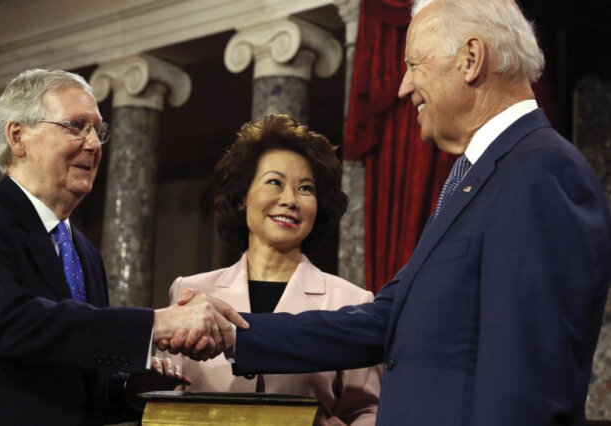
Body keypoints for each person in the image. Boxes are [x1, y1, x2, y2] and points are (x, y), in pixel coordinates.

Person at [170, 1, 611, 425]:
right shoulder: (478, 178)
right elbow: (383, 321)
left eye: (414, 64)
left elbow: (526, 387)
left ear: (472, 58)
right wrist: (236, 335)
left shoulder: (539, 171)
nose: (403, 86)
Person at [0, 68, 246, 426]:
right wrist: (157, 322)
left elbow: (77, 377)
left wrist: (132, 389)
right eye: (75, 126)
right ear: (18, 137)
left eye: (97, 131)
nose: (94, 144)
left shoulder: (86, 253)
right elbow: (11, 325)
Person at [157, 114, 381, 425]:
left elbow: (367, 412)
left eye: (305, 188)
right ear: (241, 197)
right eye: (275, 182)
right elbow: (164, 398)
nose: (290, 200)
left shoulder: (352, 301)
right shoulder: (189, 292)